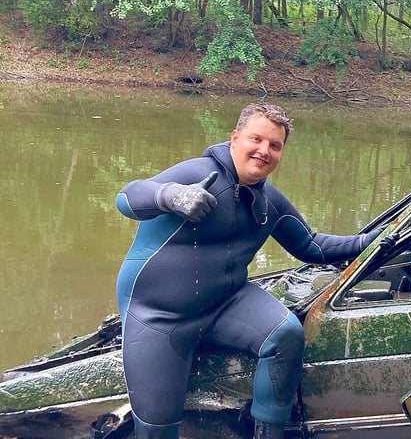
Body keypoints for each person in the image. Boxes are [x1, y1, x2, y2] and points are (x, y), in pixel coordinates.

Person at [114, 103, 385, 439]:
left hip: (226, 301)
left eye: (275, 145)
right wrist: (172, 196)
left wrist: (373, 240)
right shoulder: (197, 174)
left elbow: (311, 246)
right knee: (157, 430)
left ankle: (268, 432)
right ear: (235, 137)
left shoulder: (270, 201)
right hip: (158, 314)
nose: (264, 151)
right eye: (256, 139)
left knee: (285, 335)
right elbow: (126, 198)